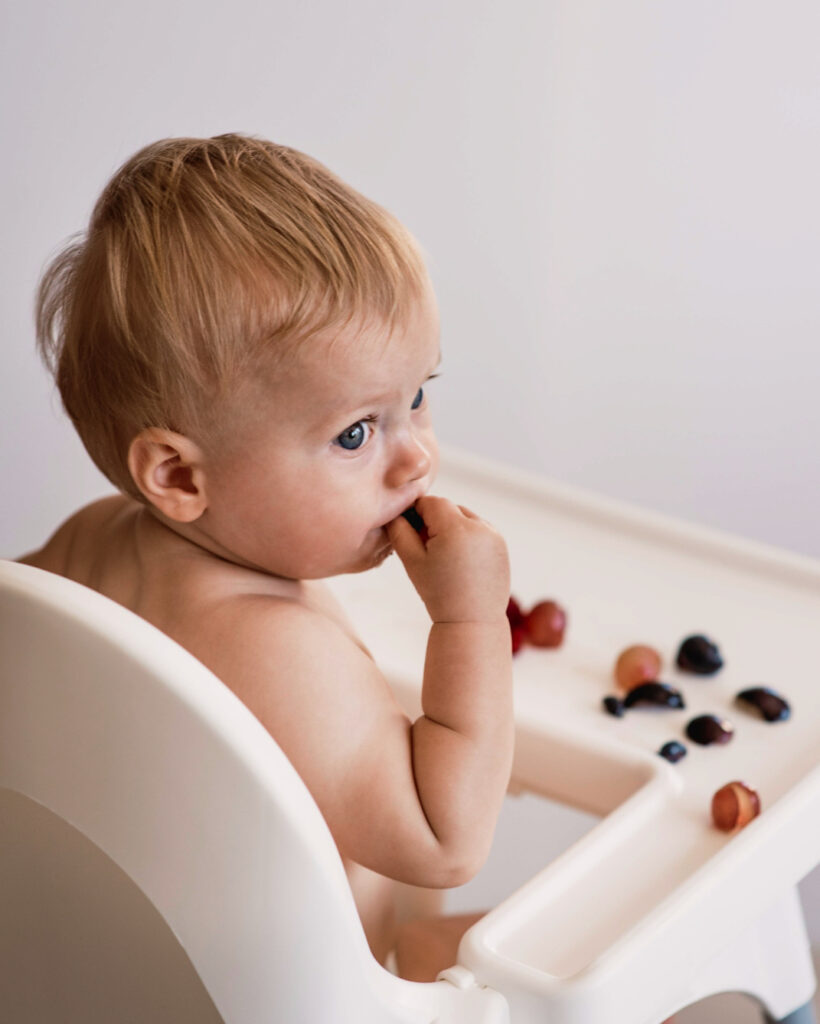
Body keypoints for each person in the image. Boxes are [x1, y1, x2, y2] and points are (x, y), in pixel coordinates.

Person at [17, 133, 514, 981]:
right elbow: (442, 839)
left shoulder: (90, 541)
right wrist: (470, 619)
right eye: (356, 433)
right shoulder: (277, 647)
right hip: (303, 998)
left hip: (102, 980)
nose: (417, 459)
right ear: (177, 474)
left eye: (418, 399)